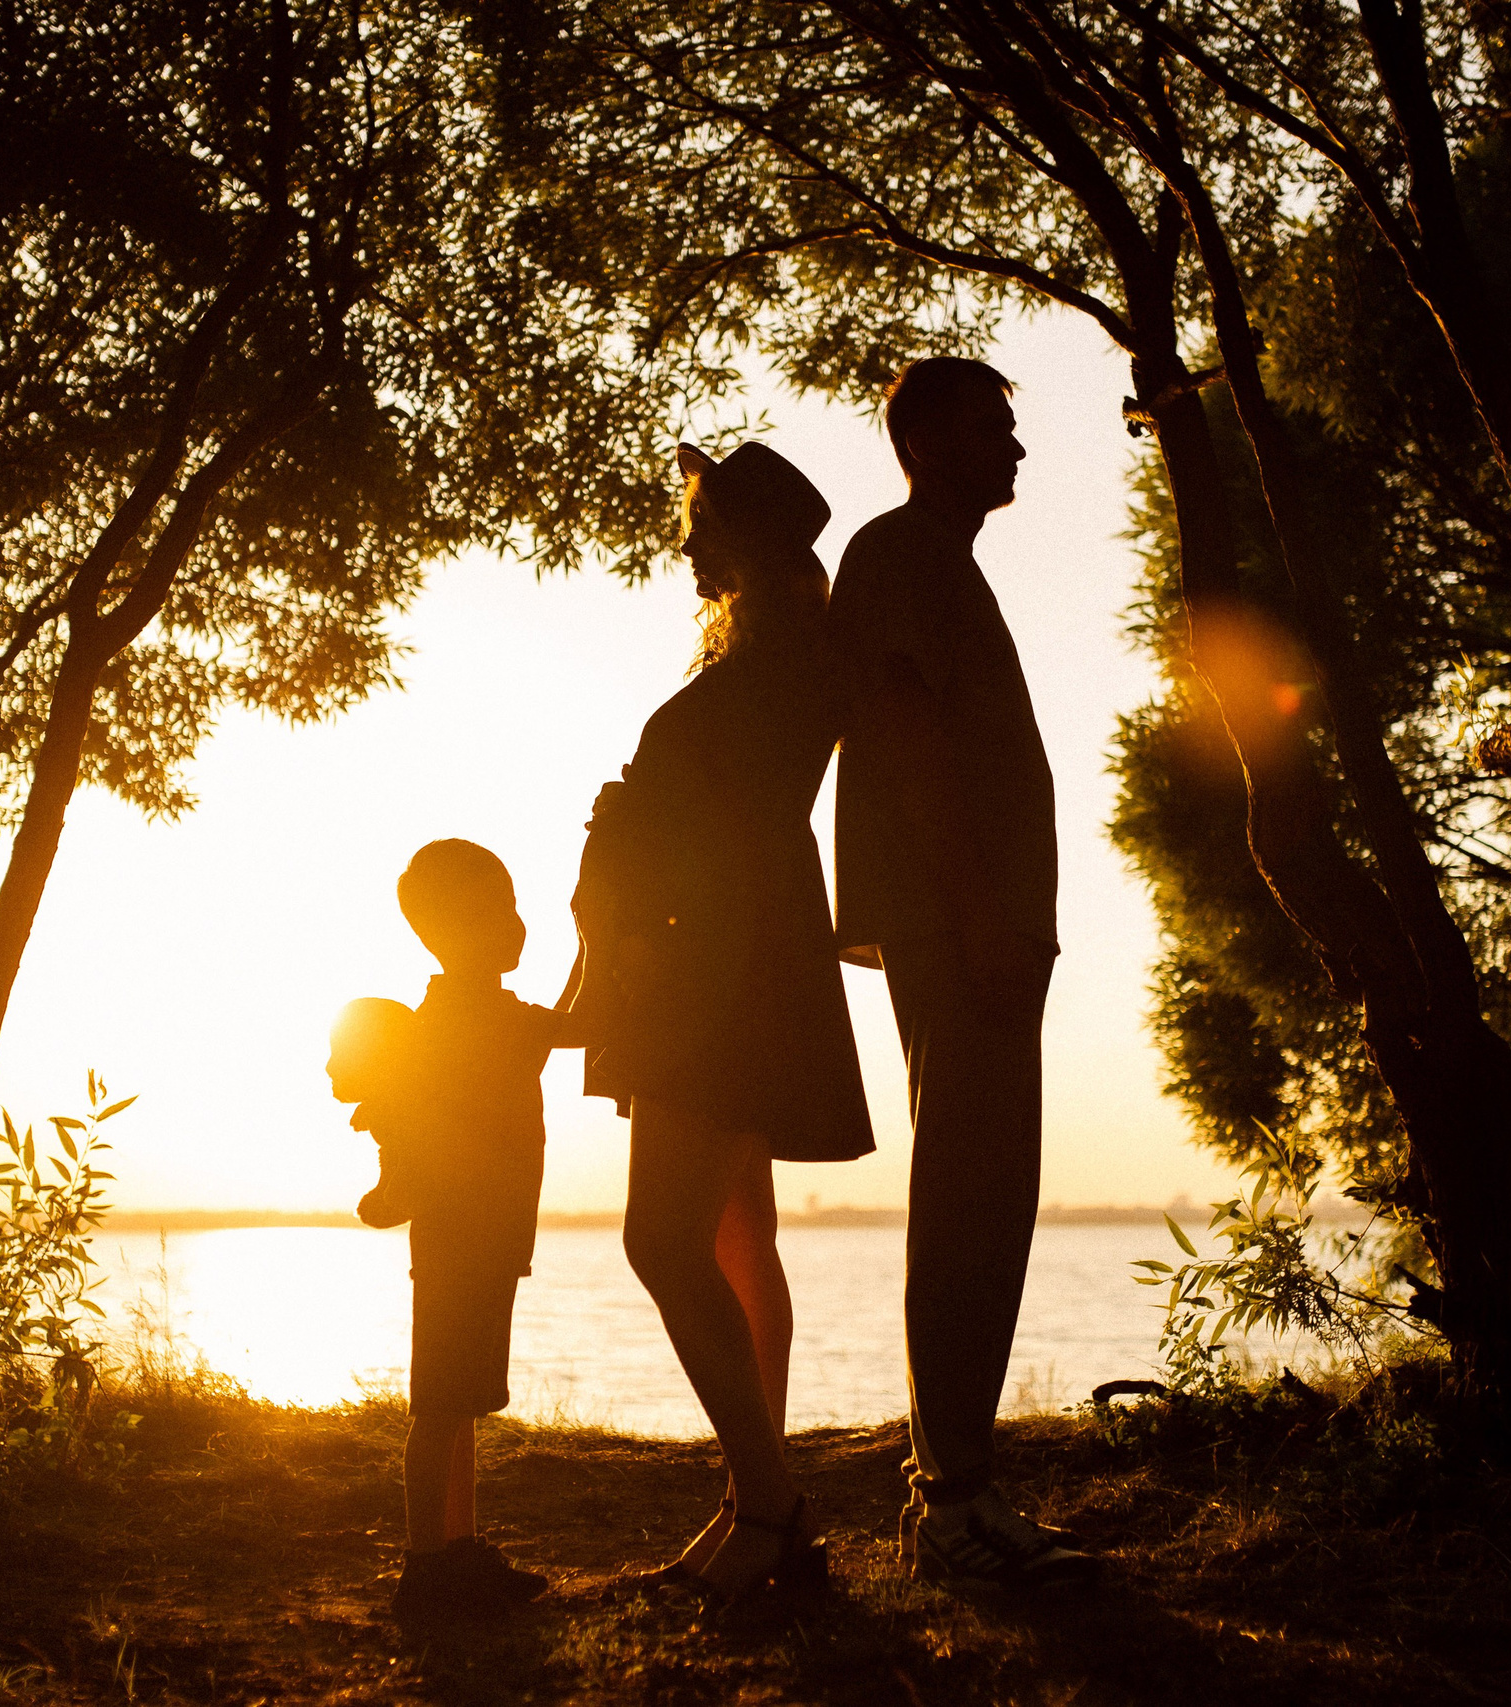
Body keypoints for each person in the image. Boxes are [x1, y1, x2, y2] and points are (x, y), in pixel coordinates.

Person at [572, 440, 876, 1606]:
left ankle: (769, 1500)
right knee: (740, 1236)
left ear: (743, 538)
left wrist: (630, 818)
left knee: (662, 1242)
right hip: (733, 959)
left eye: (699, 527)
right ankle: (758, 1501)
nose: (685, 548)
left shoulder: (782, 664)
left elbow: (726, 819)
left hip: (718, 969)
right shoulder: (774, 655)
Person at [828, 357, 1099, 1586]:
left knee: (988, 1200)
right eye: (998, 427)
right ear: (928, 438)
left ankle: (959, 1487)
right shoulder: (900, 557)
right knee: (969, 1202)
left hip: (984, 928)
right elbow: (907, 740)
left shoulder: (938, 562)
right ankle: (949, 1507)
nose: (1019, 452)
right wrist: (983, 911)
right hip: (963, 929)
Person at [328, 838, 601, 1621]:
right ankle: (425, 1566)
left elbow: (567, 1023)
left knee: (460, 1408)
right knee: (439, 1407)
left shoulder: (467, 1018)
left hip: (484, 1243)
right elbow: (584, 1024)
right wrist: (595, 937)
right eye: (504, 910)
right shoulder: (490, 1022)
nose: (519, 926)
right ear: (465, 927)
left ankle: (459, 1549)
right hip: (464, 1242)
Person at [327, 996, 418, 1229]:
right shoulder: (388, 1108)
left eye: (340, 1053)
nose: (329, 1067)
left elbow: (402, 1183)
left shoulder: (393, 1115)